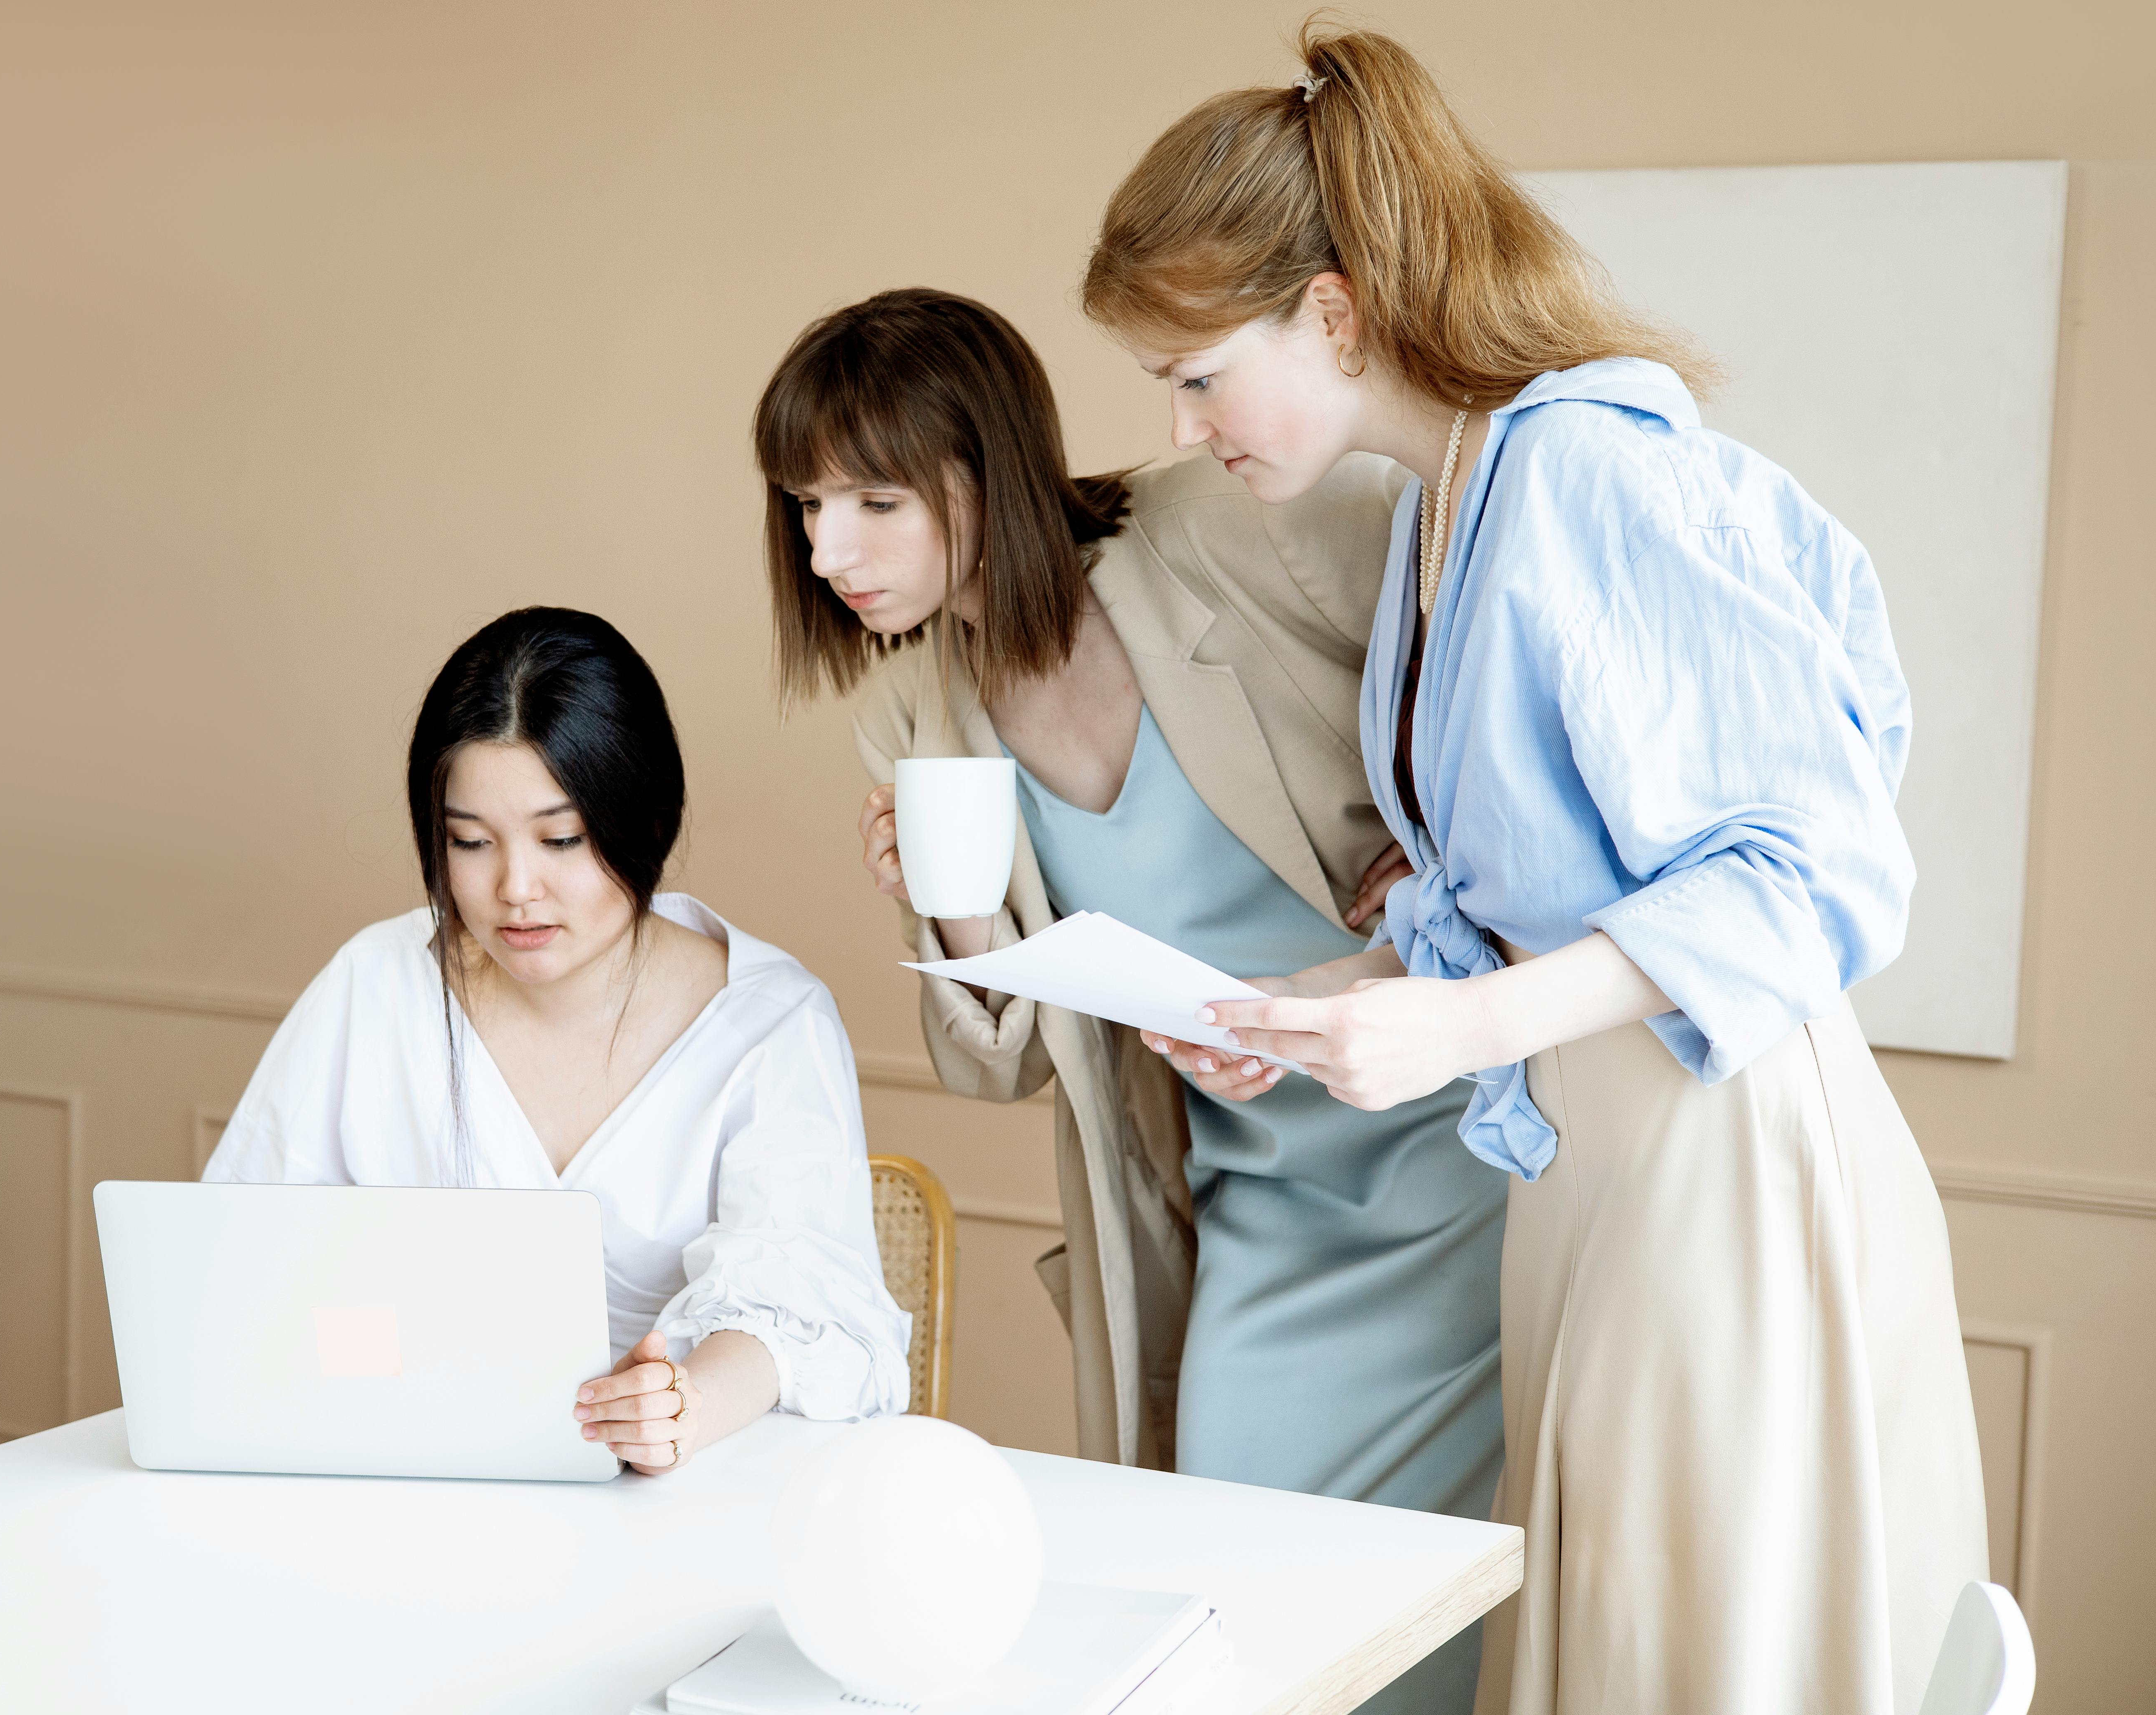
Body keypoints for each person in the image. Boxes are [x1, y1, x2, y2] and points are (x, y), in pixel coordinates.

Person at [1080, 24, 1988, 1715]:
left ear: (1335, 316)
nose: (1187, 426)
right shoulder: (1450, 515)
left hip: (1727, 1163)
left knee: (1704, 1654)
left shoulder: (1580, 472)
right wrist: (1302, 1010)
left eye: (1197, 373)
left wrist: (1463, 1023)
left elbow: (1811, 864)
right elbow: (1514, 913)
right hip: (1600, 1180)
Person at [757, 288, 1507, 1713]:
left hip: (1441, 1139)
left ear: (983, 466)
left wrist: (1439, 842)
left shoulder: (1222, 529)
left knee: (1399, 1617)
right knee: (1229, 1595)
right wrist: (949, 908)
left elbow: (1471, 590)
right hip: (1244, 1193)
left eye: (871, 501)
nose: (826, 550)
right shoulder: (916, 706)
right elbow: (997, 1070)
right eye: (804, 508)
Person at [204, 606, 910, 1473]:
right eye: (470, 842)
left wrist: (686, 1406)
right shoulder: (377, 984)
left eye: (561, 838)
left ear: (645, 819)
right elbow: (239, 1256)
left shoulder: (770, 1021)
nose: (515, 888)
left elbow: (807, 1307)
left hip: (683, 1495)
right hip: (406, 1482)